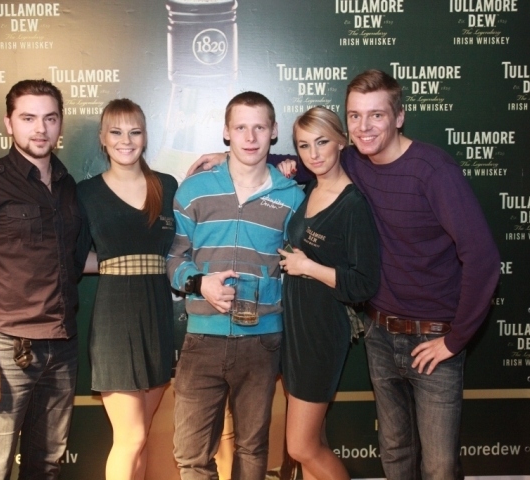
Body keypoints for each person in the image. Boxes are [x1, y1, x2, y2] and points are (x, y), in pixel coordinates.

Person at [189, 70, 501, 479]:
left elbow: (482, 258)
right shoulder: (354, 160)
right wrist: (226, 157)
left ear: (399, 117)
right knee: (395, 453)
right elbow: (309, 161)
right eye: (356, 116)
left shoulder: (433, 171)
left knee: (439, 465)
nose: (365, 127)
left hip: (431, 337)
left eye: (376, 115)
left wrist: (456, 339)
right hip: (378, 331)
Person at [0, 79, 85, 479]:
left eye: (50, 118)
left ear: (60, 124)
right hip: (6, 350)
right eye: (28, 118)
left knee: (46, 466)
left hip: (62, 348)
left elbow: (71, 259)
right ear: (9, 123)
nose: (40, 129)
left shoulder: (68, 186)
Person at [167, 91, 304, 480]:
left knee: (252, 448)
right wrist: (200, 283)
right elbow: (174, 257)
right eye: (241, 127)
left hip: (262, 342)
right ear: (226, 132)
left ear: (274, 132)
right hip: (202, 339)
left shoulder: (293, 197)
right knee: (191, 454)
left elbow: (298, 267)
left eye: (259, 127)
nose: (250, 137)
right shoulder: (194, 189)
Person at [277, 107, 380, 480]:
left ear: (341, 141)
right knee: (312, 441)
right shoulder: (311, 188)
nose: (313, 153)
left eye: (322, 142)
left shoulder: (353, 204)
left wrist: (308, 267)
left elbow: (364, 283)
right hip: (295, 327)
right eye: (304, 145)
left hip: (321, 331)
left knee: (300, 447)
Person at [77, 98, 177, 480]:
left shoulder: (166, 186)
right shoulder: (86, 193)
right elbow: (72, 258)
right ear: (102, 139)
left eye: (135, 132)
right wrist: (115, 263)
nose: (126, 140)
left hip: (157, 314)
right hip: (115, 318)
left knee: (142, 435)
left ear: (145, 137)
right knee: (130, 436)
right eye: (116, 132)